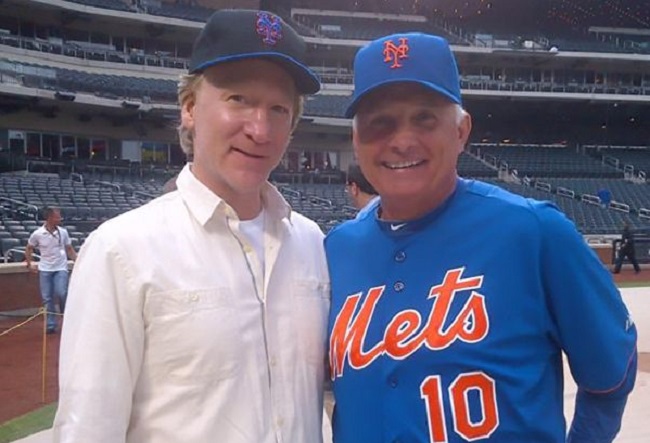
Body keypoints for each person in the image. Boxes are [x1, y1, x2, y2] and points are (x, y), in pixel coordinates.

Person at [326, 32, 637, 443]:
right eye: (380, 123)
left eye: (425, 118)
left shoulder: (534, 231)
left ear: (461, 131)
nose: (401, 140)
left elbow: (610, 377)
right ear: (356, 140)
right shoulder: (334, 249)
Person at [53, 10, 330, 442]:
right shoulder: (121, 249)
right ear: (189, 108)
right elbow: (88, 430)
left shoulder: (312, 243)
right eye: (238, 99)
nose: (260, 129)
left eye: (279, 109)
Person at [25, 206, 77, 334]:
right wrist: (29, 263)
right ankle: (51, 324)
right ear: (49, 218)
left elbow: (69, 249)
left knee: (62, 292)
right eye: (57, 216)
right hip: (45, 269)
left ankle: (66, 319)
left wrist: (78, 261)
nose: (60, 219)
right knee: (47, 297)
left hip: (61, 268)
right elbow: (29, 248)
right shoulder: (37, 233)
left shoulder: (63, 232)